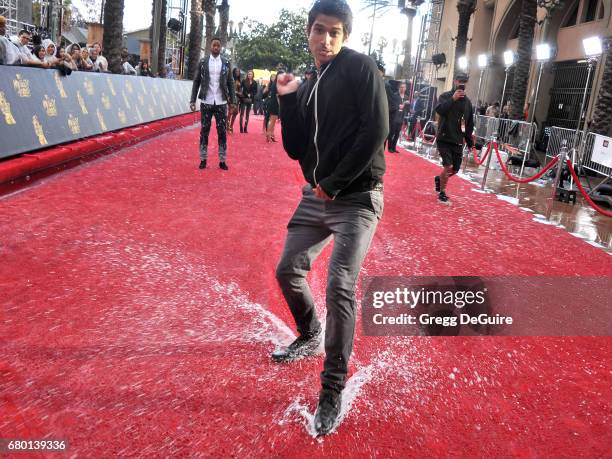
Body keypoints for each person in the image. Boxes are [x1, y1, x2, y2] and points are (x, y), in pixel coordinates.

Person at [274, 0, 387, 436]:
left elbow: (375, 130)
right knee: (288, 270)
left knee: (340, 285)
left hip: (357, 196)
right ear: (308, 31)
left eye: (335, 32)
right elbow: (296, 148)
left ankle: (332, 388)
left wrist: (336, 182)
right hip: (318, 196)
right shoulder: (309, 84)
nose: (326, 39)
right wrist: (286, 101)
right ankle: (309, 333)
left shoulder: (360, 69)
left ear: (346, 36)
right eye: (319, 30)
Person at [189, 37, 236, 171]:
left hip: (221, 102)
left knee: (222, 132)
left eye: (218, 46)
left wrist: (233, 101)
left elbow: (231, 83)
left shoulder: (226, 62)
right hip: (206, 101)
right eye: (214, 45)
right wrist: (192, 100)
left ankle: (222, 160)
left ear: (220, 47)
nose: (216, 47)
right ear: (210, 47)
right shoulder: (203, 62)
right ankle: (203, 159)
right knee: (204, 131)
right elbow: (196, 81)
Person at [433, 72, 474, 204]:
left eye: (464, 81)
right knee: (448, 165)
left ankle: (440, 179)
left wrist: (469, 141)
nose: (462, 83)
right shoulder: (445, 96)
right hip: (444, 138)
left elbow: (468, 123)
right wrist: (453, 99)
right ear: (455, 81)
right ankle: (442, 192)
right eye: (459, 80)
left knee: (455, 169)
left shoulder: (468, 103)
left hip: (458, 140)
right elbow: (439, 110)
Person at [387, 81, 408, 153]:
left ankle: (394, 147)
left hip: (401, 118)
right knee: (391, 133)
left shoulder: (406, 97)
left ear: (405, 88)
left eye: (404, 87)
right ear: (399, 88)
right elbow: (390, 106)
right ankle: (389, 147)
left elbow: (407, 109)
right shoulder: (395, 95)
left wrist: (407, 106)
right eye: (401, 87)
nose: (402, 89)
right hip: (394, 117)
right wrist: (397, 106)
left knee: (397, 134)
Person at [265, 70, 282, 142]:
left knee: (272, 120)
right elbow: (278, 96)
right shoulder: (277, 84)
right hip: (275, 103)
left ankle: (271, 135)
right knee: (272, 120)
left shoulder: (275, 83)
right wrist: (280, 105)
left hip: (272, 102)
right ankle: (269, 136)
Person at [228, 67, 242, 134]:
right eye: (236, 71)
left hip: (237, 98)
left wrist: (238, 93)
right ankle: (228, 127)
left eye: (238, 72)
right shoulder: (231, 79)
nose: (237, 73)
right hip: (231, 97)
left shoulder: (239, 81)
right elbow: (228, 88)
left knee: (235, 112)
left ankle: (231, 126)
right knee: (230, 112)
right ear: (234, 72)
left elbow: (240, 91)